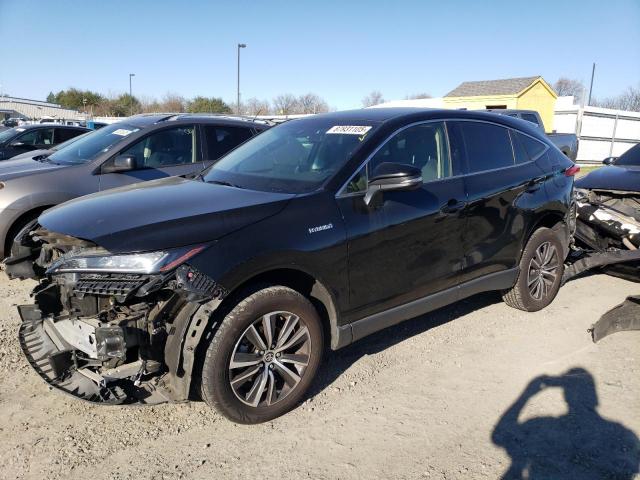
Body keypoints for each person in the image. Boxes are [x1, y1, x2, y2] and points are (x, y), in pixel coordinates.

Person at [492, 368, 639, 479]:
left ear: (566, 397)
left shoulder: (542, 426)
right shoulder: (622, 434)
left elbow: (499, 436)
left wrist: (526, 394)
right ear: (594, 398)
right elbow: (631, 469)